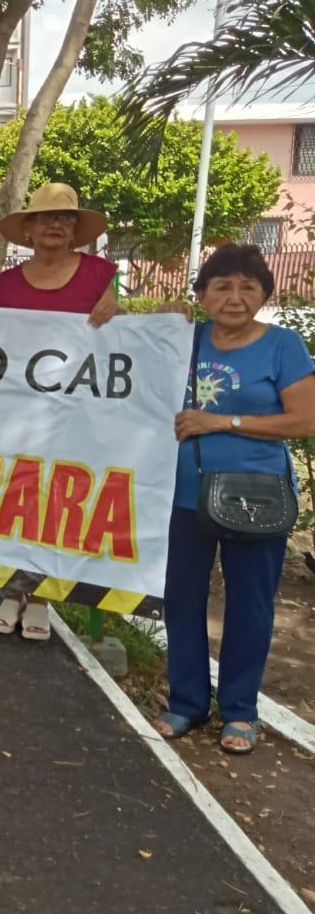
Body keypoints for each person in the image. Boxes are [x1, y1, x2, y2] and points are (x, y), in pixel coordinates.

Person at [153, 244, 315, 755]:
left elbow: (306, 419)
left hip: (257, 497)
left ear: (264, 294)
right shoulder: (185, 339)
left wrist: (223, 421)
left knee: (249, 606)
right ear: (201, 295)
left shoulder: (283, 346)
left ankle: (240, 711)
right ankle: (187, 702)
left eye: (248, 287)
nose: (235, 297)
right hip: (182, 497)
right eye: (222, 286)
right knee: (181, 601)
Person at [0, 183, 119, 640]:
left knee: (59, 502)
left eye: (66, 219)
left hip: (76, 412)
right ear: (27, 230)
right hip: (16, 413)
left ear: (76, 231)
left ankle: (45, 598)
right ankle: (12, 591)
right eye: (46, 219)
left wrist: (120, 313)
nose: (55, 226)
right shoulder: (3, 285)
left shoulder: (98, 274)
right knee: (15, 499)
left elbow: (119, 340)